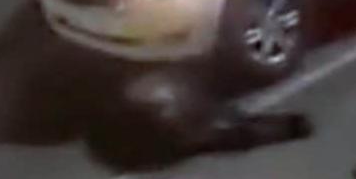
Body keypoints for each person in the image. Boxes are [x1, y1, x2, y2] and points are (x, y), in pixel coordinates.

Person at [124, 69, 312, 156]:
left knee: (241, 129)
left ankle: (291, 127)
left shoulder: (174, 117)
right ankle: (292, 127)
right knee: (241, 129)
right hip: (198, 126)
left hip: (196, 126)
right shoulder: (179, 115)